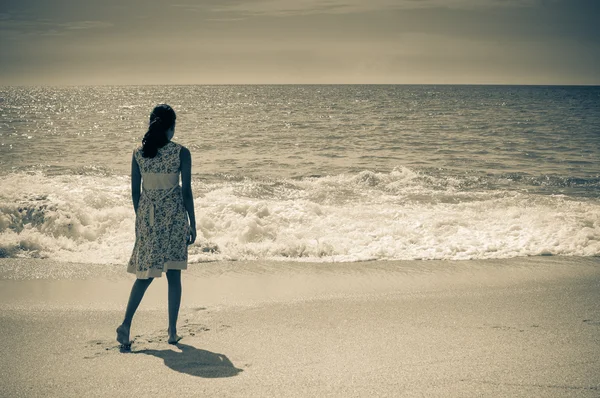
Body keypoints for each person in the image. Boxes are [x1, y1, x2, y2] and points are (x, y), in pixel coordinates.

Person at [116, 104, 197, 349]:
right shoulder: (181, 153)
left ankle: (126, 324)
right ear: (171, 127)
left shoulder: (138, 153)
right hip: (173, 218)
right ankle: (172, 332)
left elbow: (134, 193)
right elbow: (186, 192)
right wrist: (193, 222)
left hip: (147, 219)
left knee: (145, 275)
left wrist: (143, 223)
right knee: (174, 274)